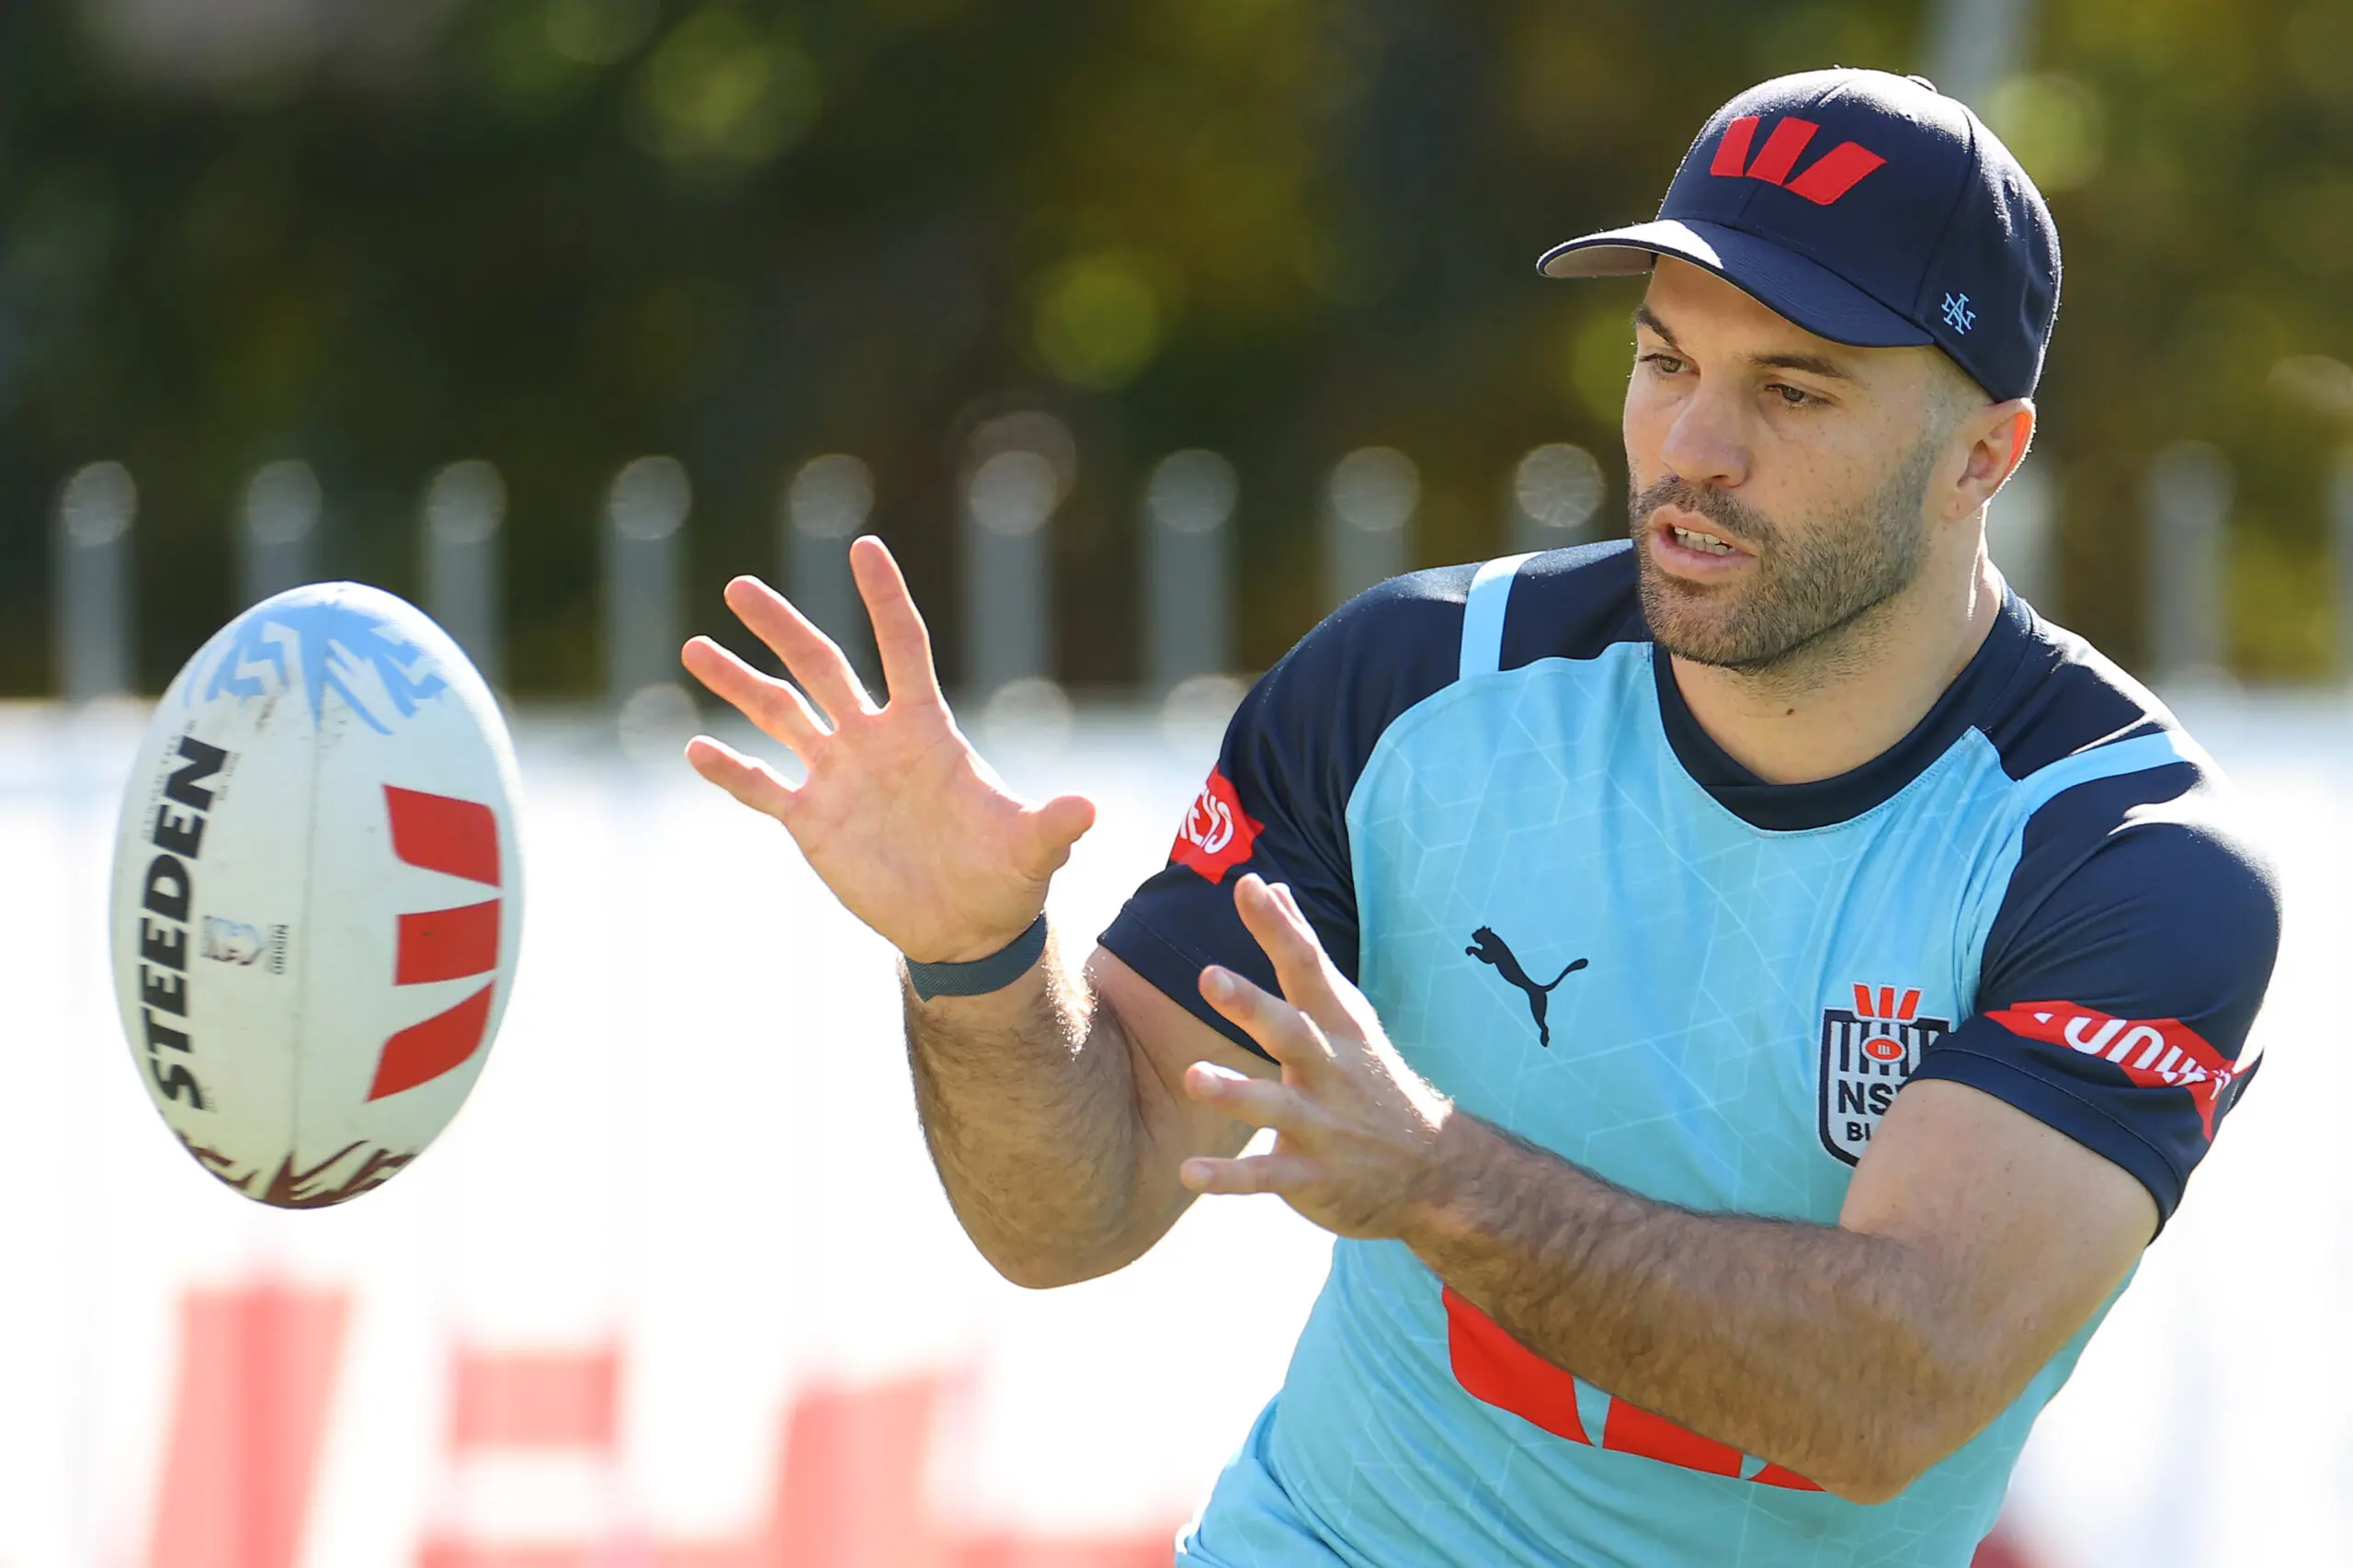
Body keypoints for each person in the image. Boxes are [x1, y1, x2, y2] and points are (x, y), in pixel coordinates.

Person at [681, 68, 2278, 1568]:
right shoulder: (1407, 686)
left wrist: (1438, 1175)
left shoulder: (2123, 859)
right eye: (1664, 361)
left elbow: (1891, 1388)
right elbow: (1073, 1211)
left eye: (1793, 389)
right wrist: (975, 963)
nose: (1693, 452)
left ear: (1983, 457)